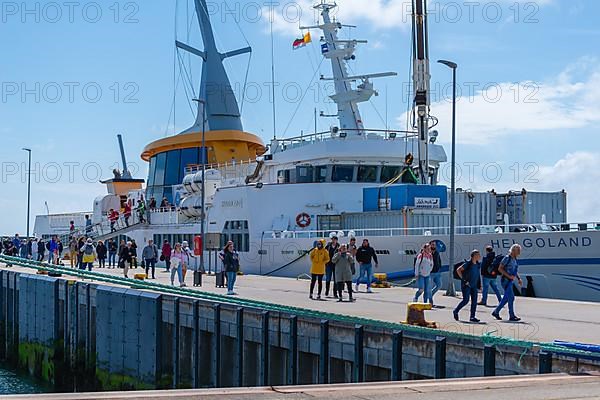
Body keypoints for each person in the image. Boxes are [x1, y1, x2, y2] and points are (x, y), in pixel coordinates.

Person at [492, 244, 523, 322]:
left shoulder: (514, 259)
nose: (519, 252)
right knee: (511, 297)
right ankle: (511, 315)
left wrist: (518, 278)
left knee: (506, 298)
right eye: (518, 250)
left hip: (510, 280)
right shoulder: (507, 258)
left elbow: (515, 270)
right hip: (506, 280)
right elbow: (500, 269)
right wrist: (509, 276)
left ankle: (496, 312)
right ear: (513, 251)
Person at [453, 250, 482, 323]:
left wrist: (479, 285)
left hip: (474, 285)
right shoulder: (468, 264)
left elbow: (478, 275)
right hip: (466, 285)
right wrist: (464, 280)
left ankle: (472, 316)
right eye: (478, 255)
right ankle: (456, 311)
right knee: (466, 300)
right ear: (474, 256)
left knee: (474, 301)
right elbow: (458, 270)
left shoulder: (478, 265)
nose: (479, 256)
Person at [429, 240, 443, 306]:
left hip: (437, 273)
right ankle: (430, 302)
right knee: (430, 287)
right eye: (432, 245)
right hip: (430, 273)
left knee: (439, 285)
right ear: (430, 245)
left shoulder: (437, 252)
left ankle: (430, 294)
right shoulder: (428, 253)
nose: (433, 246)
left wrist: (439, 267)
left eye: (434, 245)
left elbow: (439, 260)